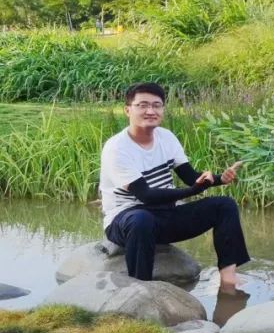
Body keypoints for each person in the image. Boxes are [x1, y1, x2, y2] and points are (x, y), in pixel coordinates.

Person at [100, 82, 249, 291]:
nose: (150, 111)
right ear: (128, 110)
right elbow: (146, 195)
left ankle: (228, 278)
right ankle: (140, 288)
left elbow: (190, 177)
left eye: (156, 105)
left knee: (224, 205)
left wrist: (218, 179)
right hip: (126, 220)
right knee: (141, 219)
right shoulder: (117, 147)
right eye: (142, 105)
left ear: (162, 109)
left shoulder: (166, 137)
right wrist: (192, 191)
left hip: (166, 215)